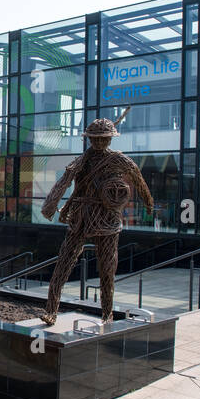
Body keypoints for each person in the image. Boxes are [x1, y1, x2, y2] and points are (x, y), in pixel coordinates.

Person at [39, 115, 153, 326]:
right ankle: (51, 311)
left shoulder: (119, 160)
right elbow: (65, 180)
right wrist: (50, 204)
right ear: (89, 139)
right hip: (81, 219)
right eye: (95, 139)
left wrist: (148, 202)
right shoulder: (82, 160)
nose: (99, 143)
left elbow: (138, 178)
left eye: (104, 139)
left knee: (107, 270)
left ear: (110, 139)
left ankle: (107, 315)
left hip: (108, 220)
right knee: (63, 265)